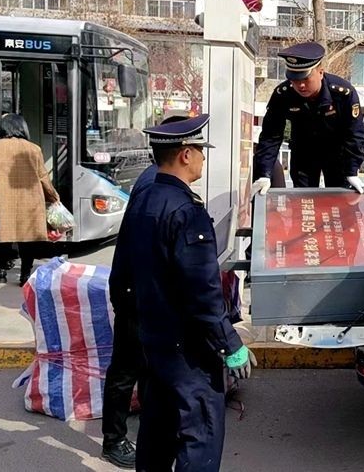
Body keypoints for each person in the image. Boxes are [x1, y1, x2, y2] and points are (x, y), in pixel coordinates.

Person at [111, 114, 255, 471]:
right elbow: (203, 293)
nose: (203, 158)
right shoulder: (186, 211)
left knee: (156, 436)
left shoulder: (143, 200)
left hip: (154, 345)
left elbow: (121, 274)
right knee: (199, 436)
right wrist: (230, 345)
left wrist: (137, 323)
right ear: (185, 154)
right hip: (189, 353)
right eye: (200, 150)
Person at [100, 115, 189, 469]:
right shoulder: (156, 186)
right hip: (137, 293)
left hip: (138, 291)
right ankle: (114, 440)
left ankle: (146, 432)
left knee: (143, 368)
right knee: (127, 368)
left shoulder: (155, 180)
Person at [253, 41, 364, 194]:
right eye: (295, 79)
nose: (300, 85)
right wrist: (264, 173)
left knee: (339, 201)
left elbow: (354, 133)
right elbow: (271, 135)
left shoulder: (343, 93)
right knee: (304, 201)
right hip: (304, 154)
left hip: (337, 154)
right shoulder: (283, 94)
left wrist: (352, 170)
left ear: (320, 72)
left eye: (305, 79)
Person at [0, 113, 60, 285]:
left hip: (5, 200)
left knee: (5, 236)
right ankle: (25, 276)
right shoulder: (34, 149)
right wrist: (53, 197)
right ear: (22, 128)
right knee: (27, 239)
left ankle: (1, 272)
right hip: (31, 200)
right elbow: (43, 177)